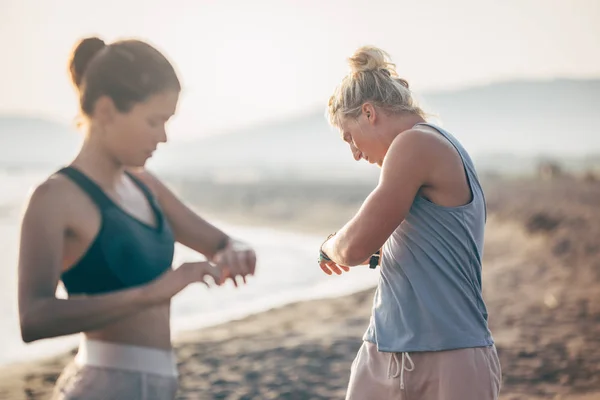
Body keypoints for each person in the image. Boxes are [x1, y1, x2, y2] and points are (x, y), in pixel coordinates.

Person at [17, 36, 256, 400]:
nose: (163, 136)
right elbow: (34, 318)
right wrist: (152, 293)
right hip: (101, 386)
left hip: (160, 384)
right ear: (106, 110)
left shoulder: (146, 186)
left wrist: (236, 251)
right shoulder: (53, 197)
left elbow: (219, 242)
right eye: (153, 121)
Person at [318, 46, 502, 399]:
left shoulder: (416, 144)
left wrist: (327, 247)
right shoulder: (423, 148)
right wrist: (377, 254)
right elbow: (419, 244)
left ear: (369, 113)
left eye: (349, 136)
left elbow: (353, 246)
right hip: (386, 350)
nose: (355, 152)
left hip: (450, 358)